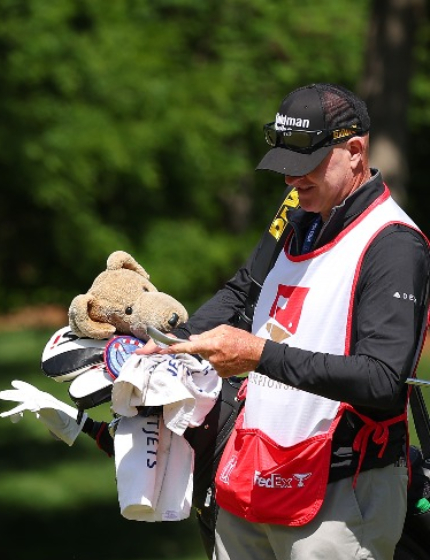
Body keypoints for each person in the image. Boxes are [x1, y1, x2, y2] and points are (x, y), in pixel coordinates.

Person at [139, 83, 430, 560]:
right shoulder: (299, 210)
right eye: (284, 169)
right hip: (254, 473)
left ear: (355, 151)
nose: (292, 182)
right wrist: (172, 344)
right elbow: (243, 291)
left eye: (306, 167)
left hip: (340, 495)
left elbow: (381, 379)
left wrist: (257, 355)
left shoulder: (395, 243)